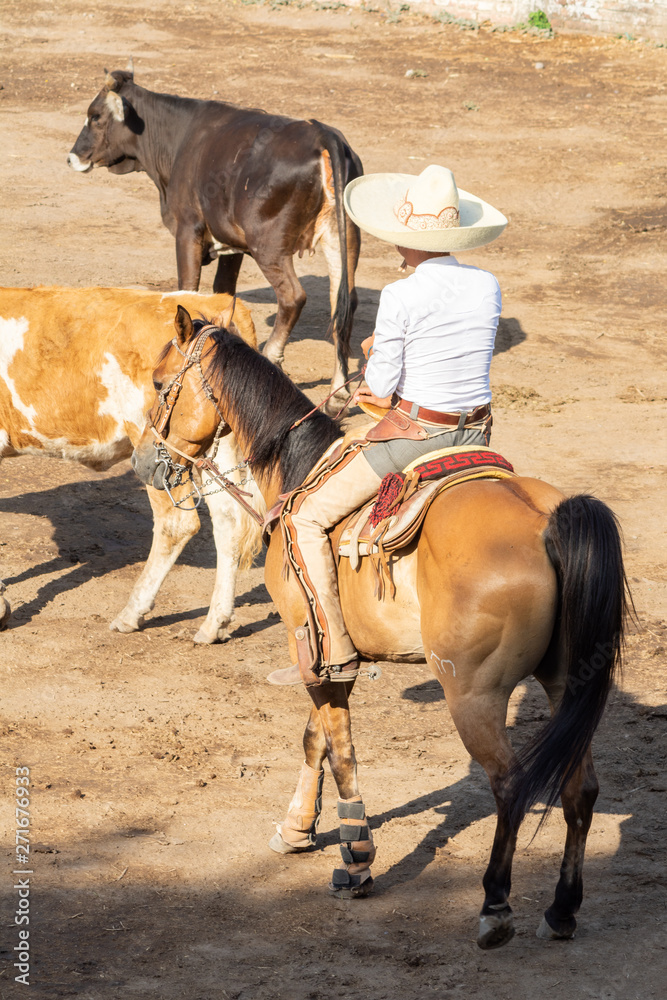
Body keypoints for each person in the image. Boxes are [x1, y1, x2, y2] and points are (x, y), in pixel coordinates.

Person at [267, 164, 507, 685]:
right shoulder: (487, 284)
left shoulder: (401, 295)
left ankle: (333, 649)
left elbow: (378, 387)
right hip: (477, 435)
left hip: (419, 437)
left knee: (304, 516)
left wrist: (375, 353)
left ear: (407, 238)